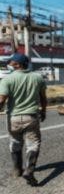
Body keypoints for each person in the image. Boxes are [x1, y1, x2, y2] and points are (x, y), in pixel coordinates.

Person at [0, 53, 47, 186]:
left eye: (11, 63)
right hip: (31, 117)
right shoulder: (38, 78)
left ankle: (17, 170)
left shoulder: (7, 80)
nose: (9, 65)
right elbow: (43, 98)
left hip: (13, 118)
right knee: (33, 144)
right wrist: (43, 111)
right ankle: (29, 170)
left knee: (15, 142)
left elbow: (1, 100)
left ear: (18, 65)